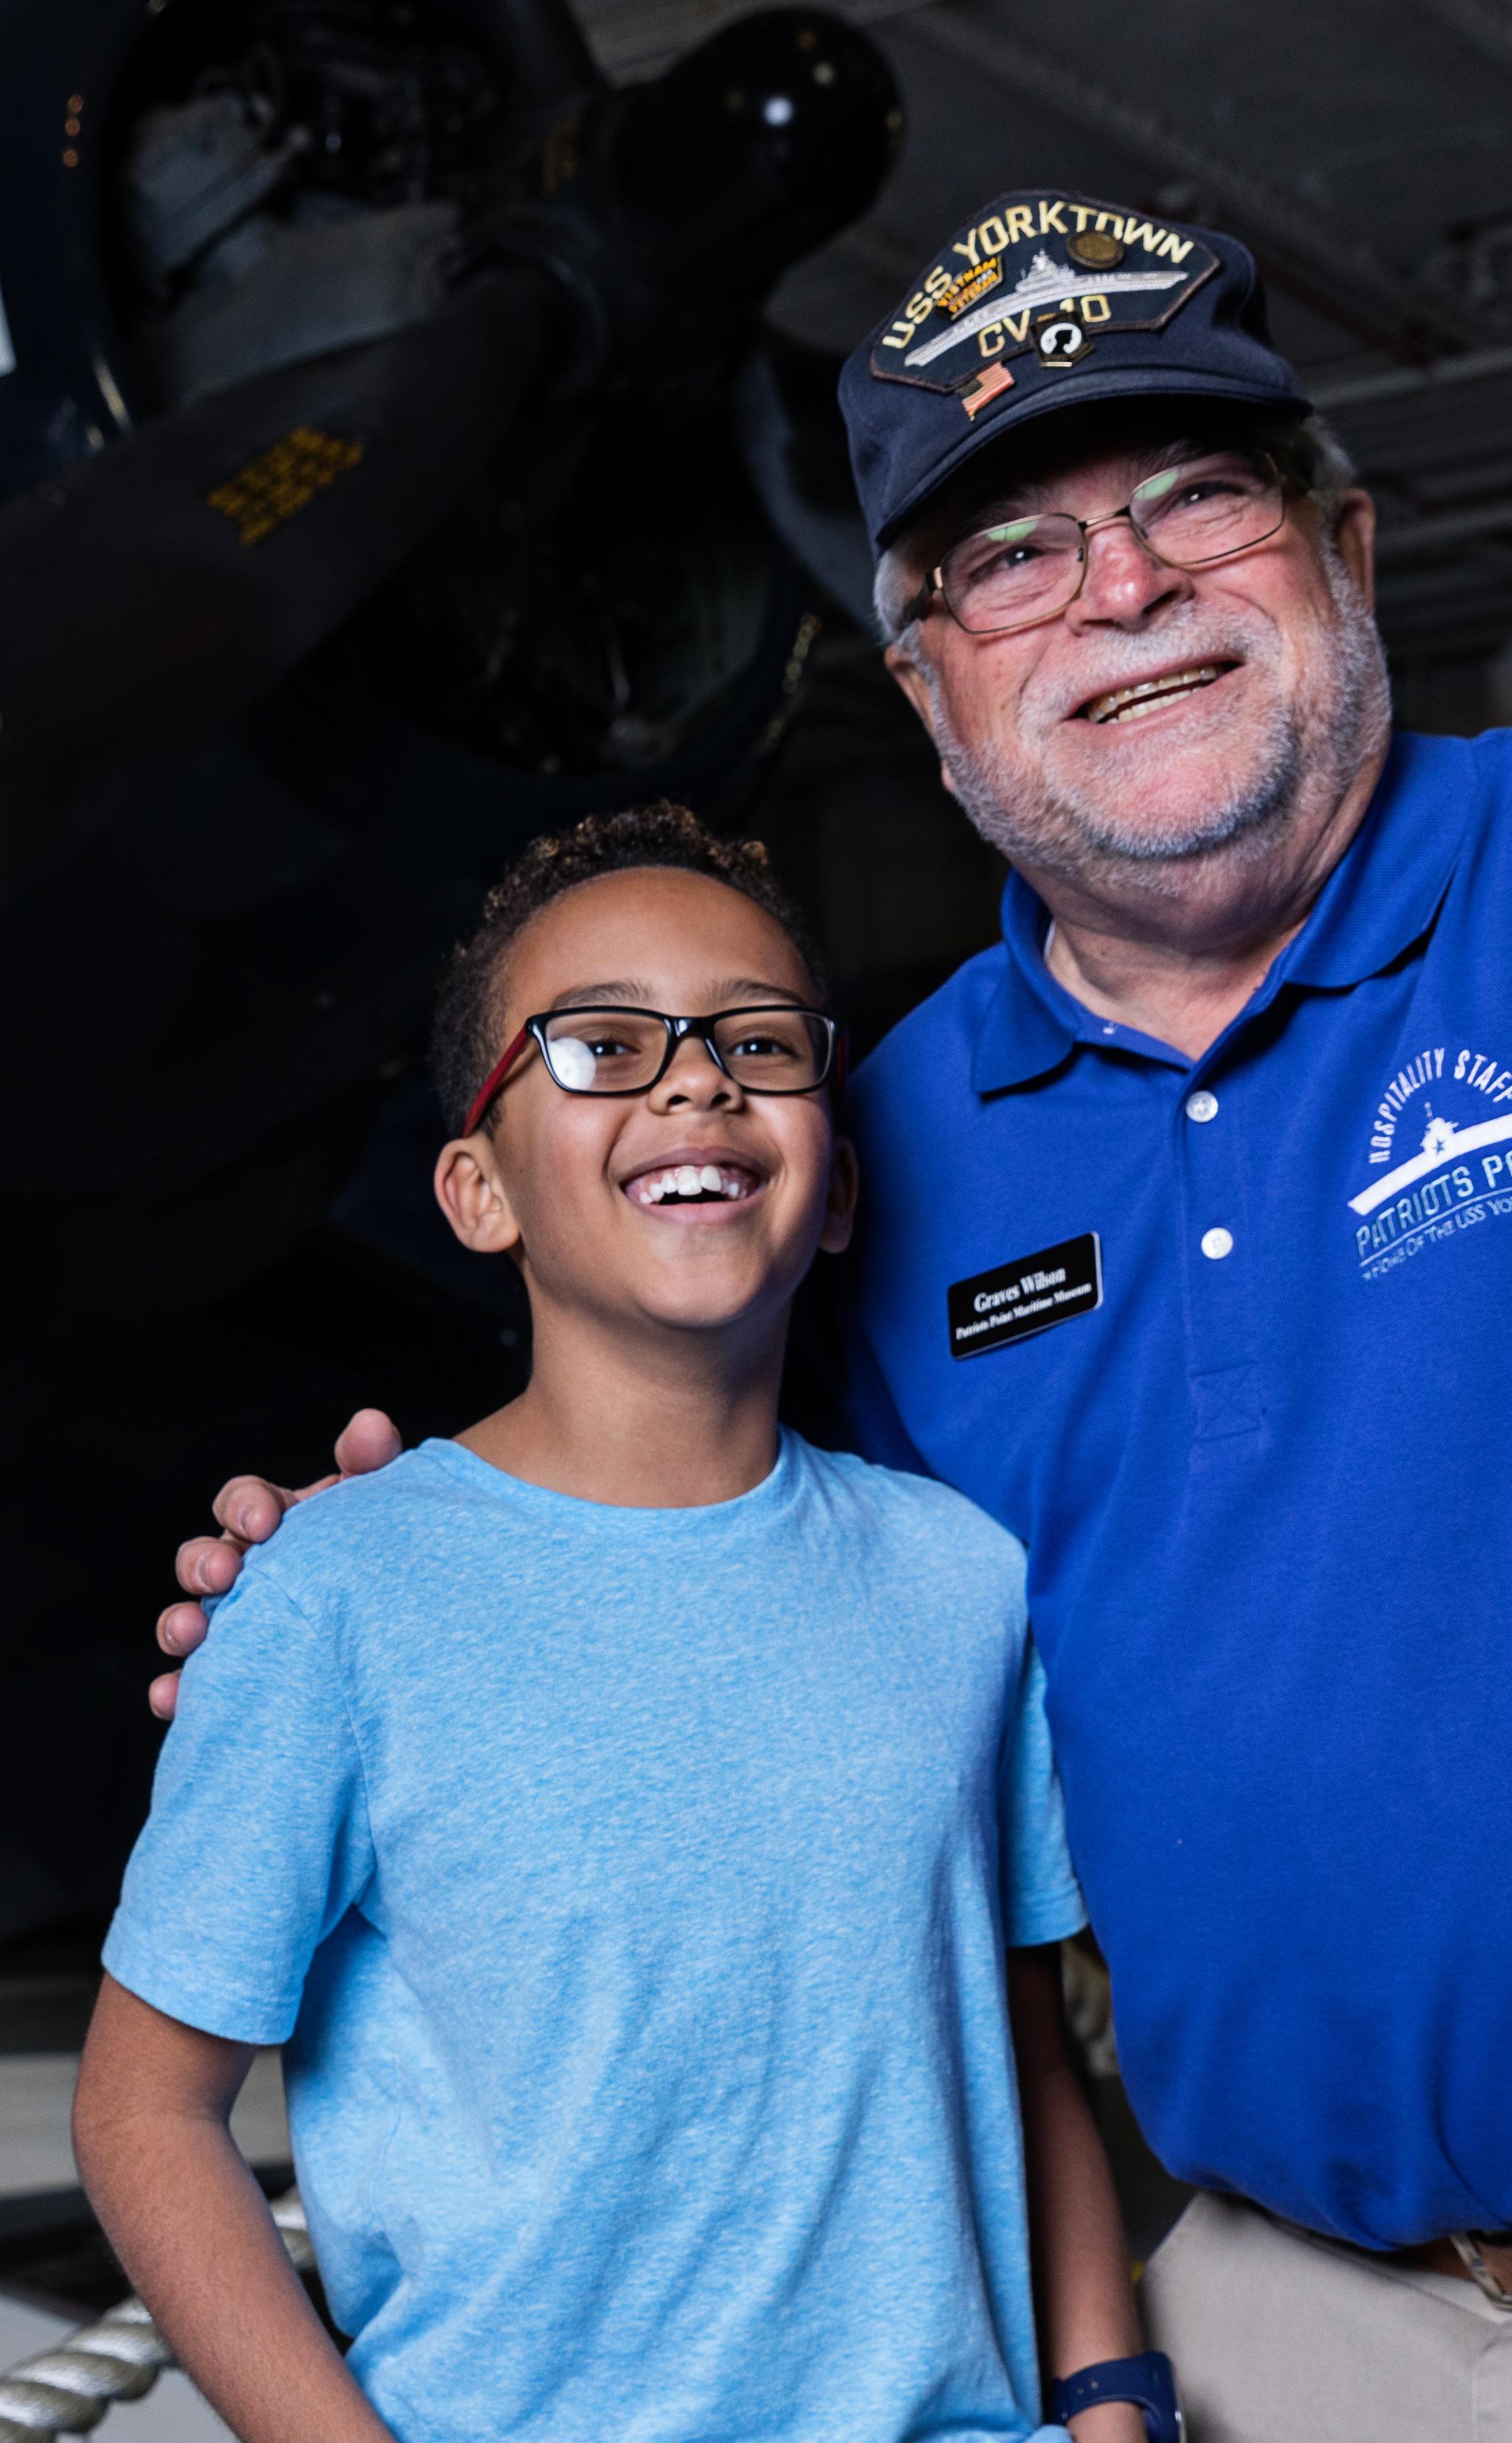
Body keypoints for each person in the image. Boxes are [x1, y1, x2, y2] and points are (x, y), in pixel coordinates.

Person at [155, 17, 1512, 2440]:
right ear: (931, 683)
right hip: (1280, 2336)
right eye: (1014, 550)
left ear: (1346, 547)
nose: (1126, 586)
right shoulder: (875, 1150)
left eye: (1200, 493)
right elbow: (716, 1564)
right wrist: (410, 1588)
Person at [74, 809, 1166, 2443]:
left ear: (842, 1183)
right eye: (597, 1043)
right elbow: (142, 2110)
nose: (692, 1078)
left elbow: (1005, 2035)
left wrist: (1107, 2399)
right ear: (475, 1187)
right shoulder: (334, 1592)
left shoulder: (955, 1576)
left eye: (755, 1039)